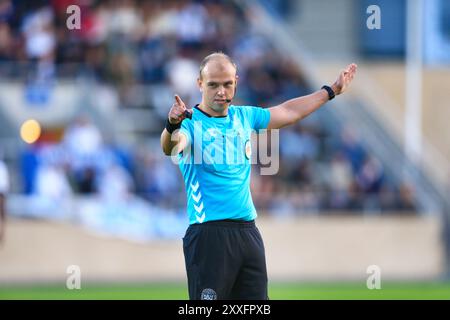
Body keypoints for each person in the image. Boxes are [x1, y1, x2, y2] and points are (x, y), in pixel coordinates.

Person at [160, 52, 357, 300]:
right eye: (213, 84)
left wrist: (331, 91)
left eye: (227, 84)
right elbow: (170, 146)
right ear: (200, 84)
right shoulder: (189, 123)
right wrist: (171, 125)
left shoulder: (244, 116)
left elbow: (288, 111)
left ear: (236, 82)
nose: (221, 91)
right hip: (209, 235)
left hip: (248, 233)